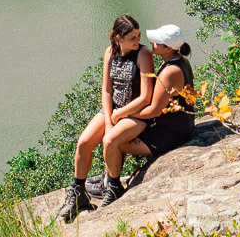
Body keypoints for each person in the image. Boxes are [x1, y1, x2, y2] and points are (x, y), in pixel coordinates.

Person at [57, 14, 154, 223]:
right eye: (132, 38)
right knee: (83, 142)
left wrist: (120, 114)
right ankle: (78, 191)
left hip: (135, 113)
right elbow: (107, 90)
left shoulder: (143, 55)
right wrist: (110, 119)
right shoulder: (110, 52)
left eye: (138, 36)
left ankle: (114, 186)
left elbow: (146, 96)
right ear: (118, 37)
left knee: (109, 141)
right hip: (113, 109)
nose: (137, 41)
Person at [98, 23, 195, 207]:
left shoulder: (170, 72)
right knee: (117, 135)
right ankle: (109, 179)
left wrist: (121, 113)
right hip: (175, 126)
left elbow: (153, 110)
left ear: (167, 48)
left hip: (170, 133)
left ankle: (113, 185)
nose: (151, 42)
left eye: (157, 41)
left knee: (113, 141)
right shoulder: (178, 61)